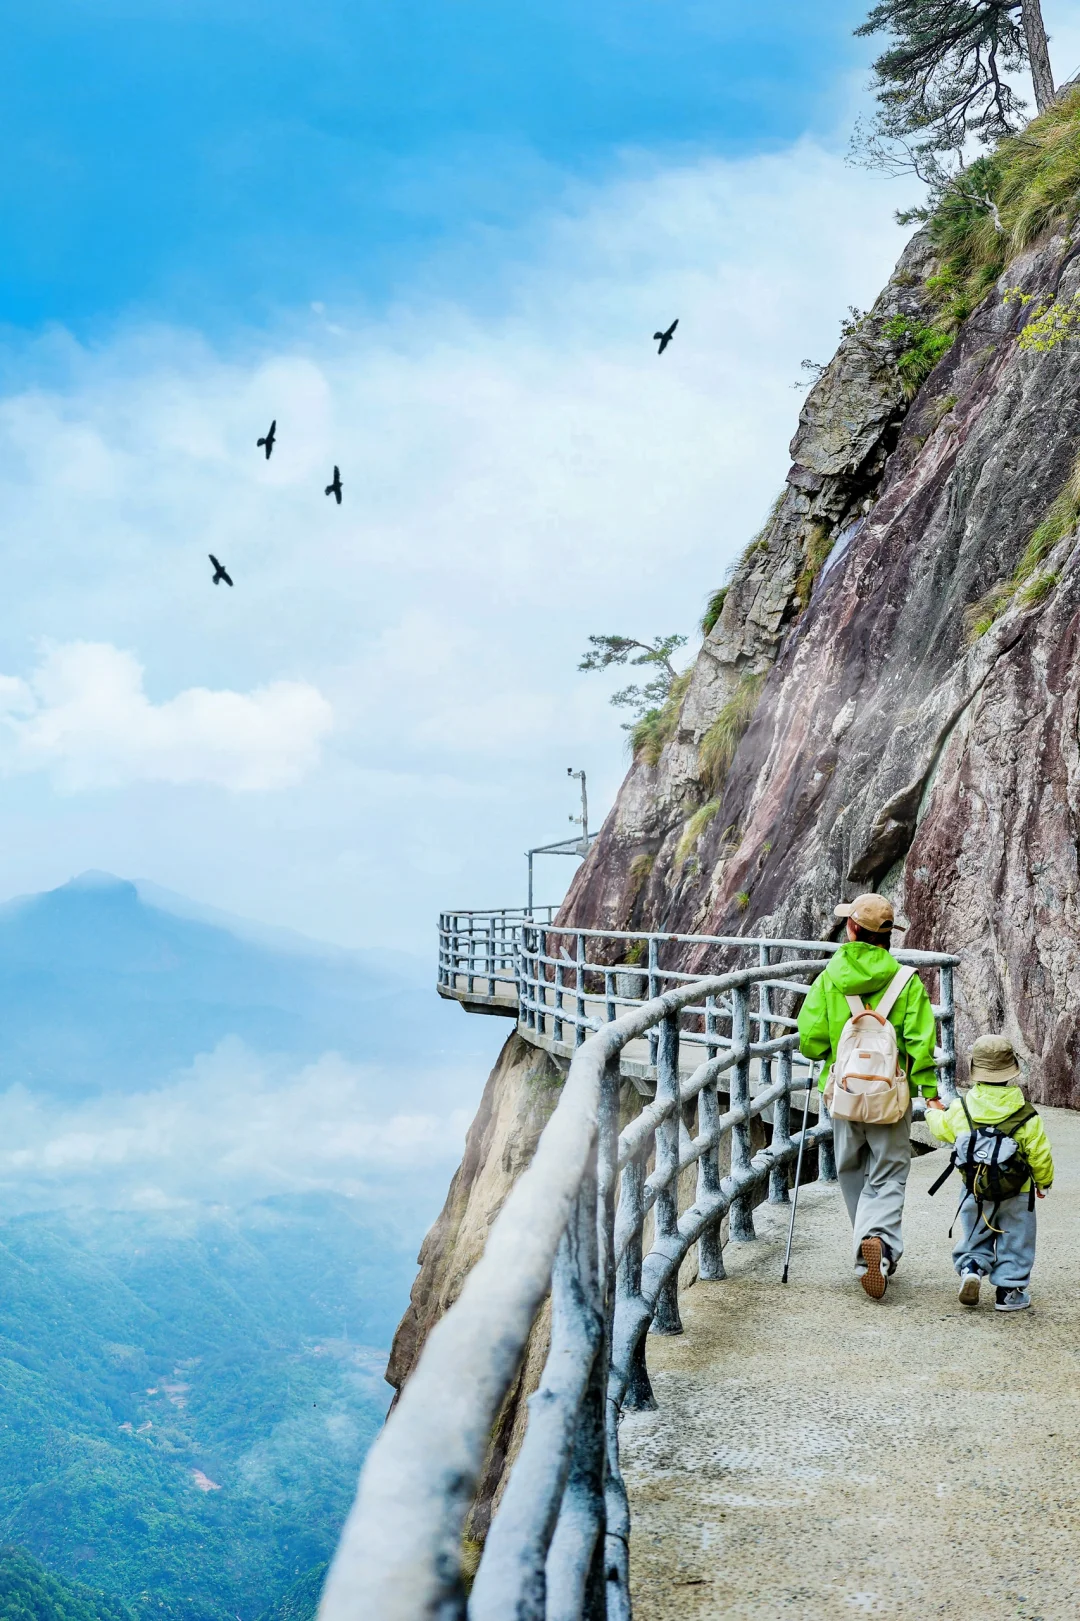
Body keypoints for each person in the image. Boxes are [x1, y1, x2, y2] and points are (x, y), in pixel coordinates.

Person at [797, 892, 938, 1299]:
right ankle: (879, 1246)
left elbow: (810, 1041)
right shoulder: (905, 981)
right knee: (890, 1172)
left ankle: (866, 1249)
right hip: (890, 1095)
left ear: (851, 928)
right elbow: (920, 1043)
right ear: (888, 936)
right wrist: (929, 1093)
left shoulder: (828, 978)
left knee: (851, 1168)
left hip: (843, 1092)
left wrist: (830, 1054)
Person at [926, 1034, 1053, 1312]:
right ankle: (1009, 1292)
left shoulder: (963, 1109)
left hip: (975, 1188)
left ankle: (971, 1267)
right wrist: (1043, 1182)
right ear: (1011, 1071)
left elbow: (941, 1128)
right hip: (1017, 1192)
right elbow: (1039, 1154)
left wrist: (931, 1110)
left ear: (976, 1071)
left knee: (975, 1232)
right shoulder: (1027, 1114)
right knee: (1016, 1238)